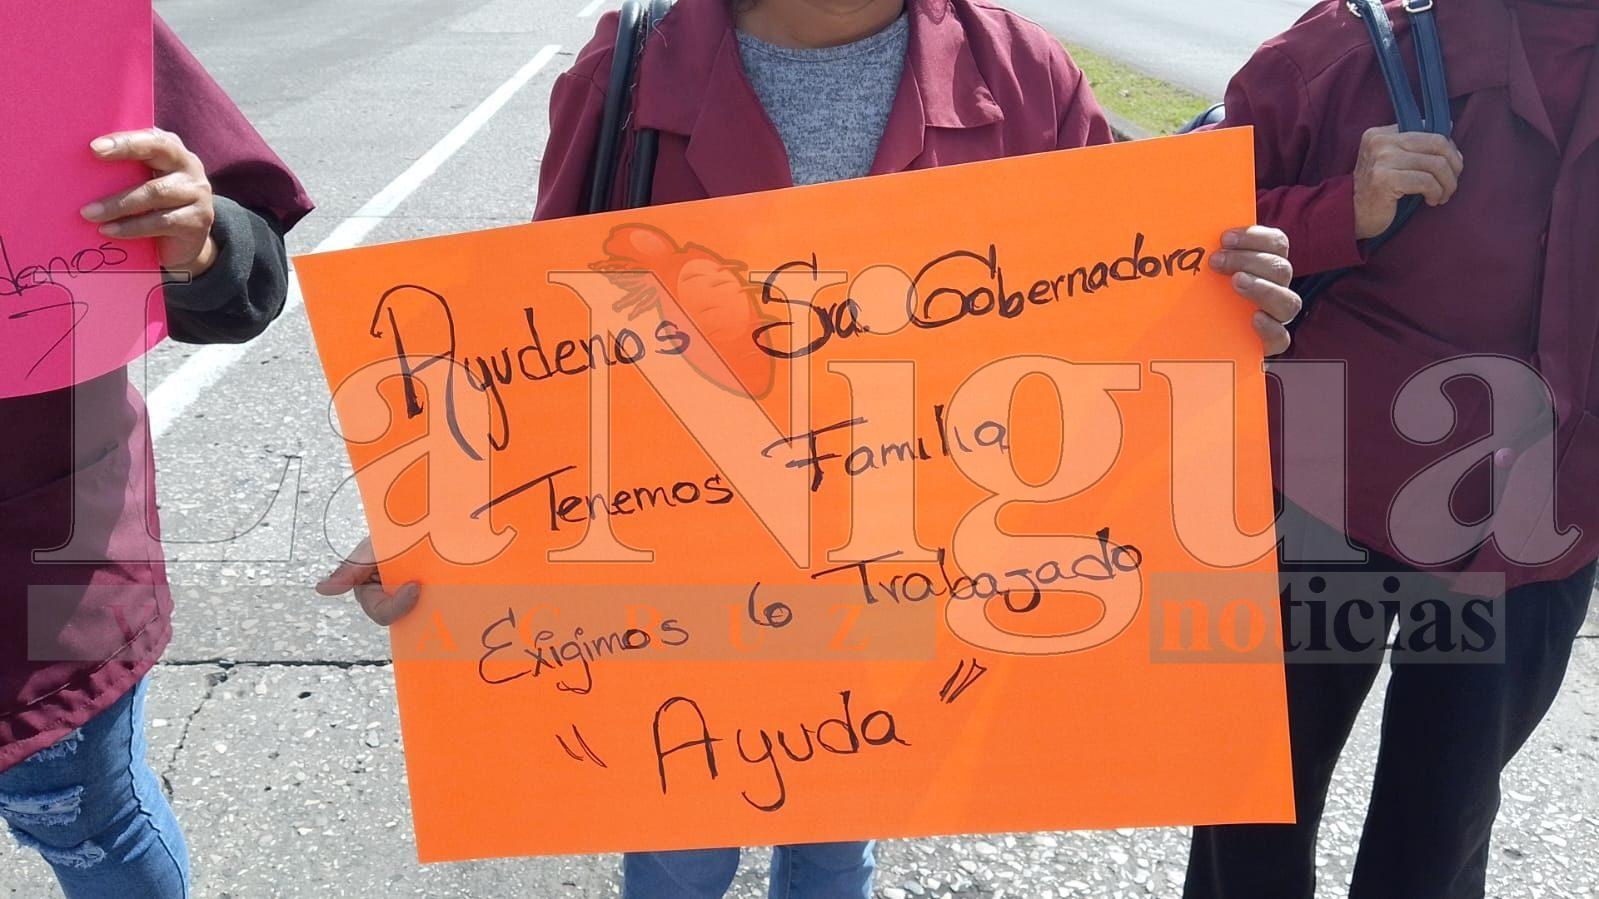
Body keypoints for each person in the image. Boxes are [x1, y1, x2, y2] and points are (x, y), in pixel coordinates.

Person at [318, 0, 1303, 896]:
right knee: (677, 855)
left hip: (911, 576)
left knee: (839, 845)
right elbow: (531, 338)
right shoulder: (633, 65)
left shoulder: (1020, 71)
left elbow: (1116, 307)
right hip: (682, 582)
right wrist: (436, 510)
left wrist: (1214, 315)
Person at [1184, 1, 1599, 898]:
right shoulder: (1359, 44)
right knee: (1251, 817)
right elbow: (1164, 232)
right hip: (1318, 494)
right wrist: (1340, 210)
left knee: (1437, 841)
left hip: (1549, 520)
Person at [0, 17, 313, 898]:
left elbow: (246, 267)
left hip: (36, 573)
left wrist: (201, 243)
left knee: (87, 826)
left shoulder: (50, 23)